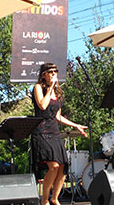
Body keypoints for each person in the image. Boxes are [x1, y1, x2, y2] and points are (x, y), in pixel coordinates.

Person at [31, 63, 87, 205]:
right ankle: (44, 200)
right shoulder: (39, 87)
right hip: (41, 131)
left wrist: (76, 125)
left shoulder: (57, 93)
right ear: (43, 74)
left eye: (55, 71)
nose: (53, 74)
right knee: (54, 166)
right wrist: (50, 88)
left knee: (63, 167)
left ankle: (55, 199)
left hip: (54, 130)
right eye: (50, 72)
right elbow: (42, 106)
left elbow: (58, 116)